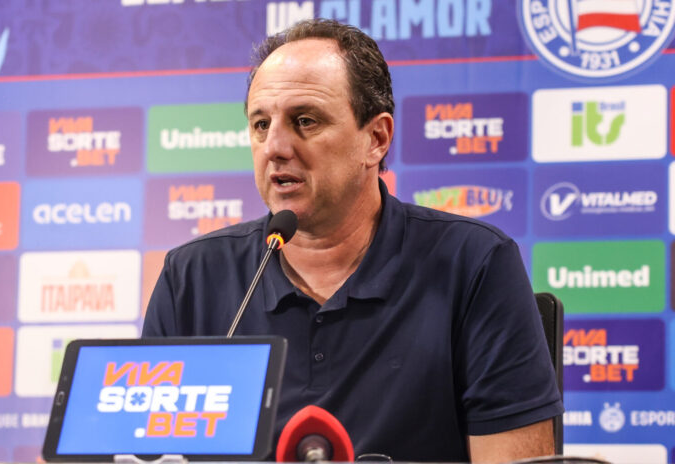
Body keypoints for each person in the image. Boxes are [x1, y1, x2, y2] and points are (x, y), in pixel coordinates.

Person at [143, 19, 563, 463]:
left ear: (376, 139)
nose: (275, 147)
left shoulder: (474, 264)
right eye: (261, 124)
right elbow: (141, 452)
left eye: (305, 121)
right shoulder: (191, 277)